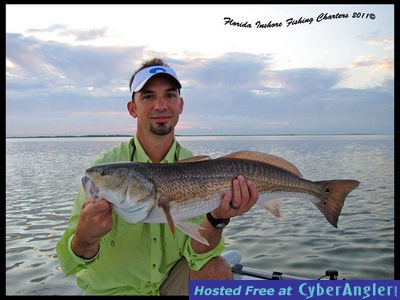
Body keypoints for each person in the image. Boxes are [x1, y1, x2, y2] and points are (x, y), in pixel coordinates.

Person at [56, 57, 258, 295]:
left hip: (168, 285)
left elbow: (198, 254)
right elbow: (70, 263)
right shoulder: (102, 170)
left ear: (180, 105)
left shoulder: (198, 168)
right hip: (113, 291)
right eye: (148, 96)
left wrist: (217, 220)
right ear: (133, 108)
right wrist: (84, 238)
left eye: (169, 95)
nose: (160, 105)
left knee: (216, 268)